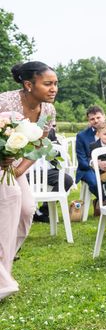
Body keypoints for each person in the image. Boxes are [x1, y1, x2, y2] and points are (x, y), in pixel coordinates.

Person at [0, 61, 57, 300]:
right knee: (11, 200)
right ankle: (3, 282)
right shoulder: (4, 103)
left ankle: (5, 269)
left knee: (26, 210)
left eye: (55, 83)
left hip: (11, 165)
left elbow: (40, 144)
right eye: (48, 84)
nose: (54, 88)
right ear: (28, 84)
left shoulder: (48, 111)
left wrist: (18, 169)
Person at [75, 105, 106, 204]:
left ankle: (100, 202)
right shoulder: (81, 136)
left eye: (98, 117)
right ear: (89, 120)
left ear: (104, 117)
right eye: (92, 119)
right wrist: (95, 163)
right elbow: (82, 160)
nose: (96, 121)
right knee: (94, 182)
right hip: (88, 169)